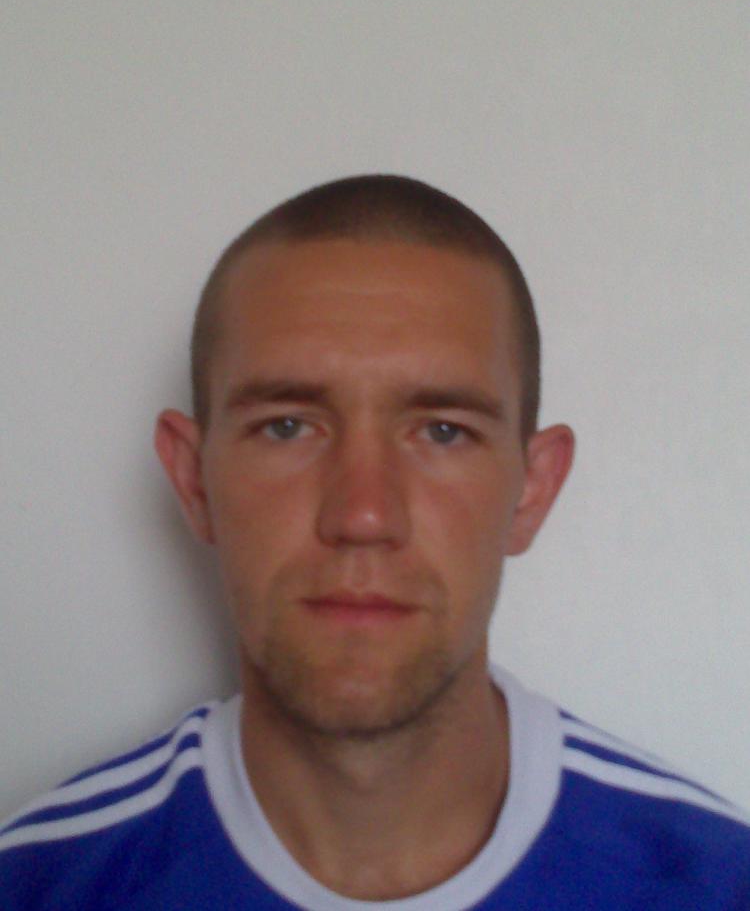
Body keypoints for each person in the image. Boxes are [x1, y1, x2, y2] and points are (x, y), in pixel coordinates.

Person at [1, 175, 748, 909]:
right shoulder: (35, 886)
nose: (362, 515)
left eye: (443, 431)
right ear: (194, 480)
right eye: (287, 427)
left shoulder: (718, 886)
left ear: (533, 488)